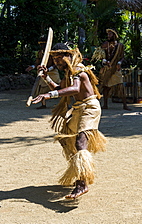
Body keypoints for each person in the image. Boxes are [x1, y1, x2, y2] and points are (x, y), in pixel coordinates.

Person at [32, 43, 107, 199]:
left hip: (89, 108)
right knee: (66, 140)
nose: (57, 62)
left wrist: (48, 95)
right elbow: (62, 87)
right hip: (79, 108)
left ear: (69, 56)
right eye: (55, 59)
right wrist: (46, 78)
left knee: (80, 142)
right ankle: (80, 172)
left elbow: (75, 89)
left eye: (59, 58)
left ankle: (82, 184)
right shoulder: (69, 72)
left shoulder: (78, 69)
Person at [98, 29, 130, 110]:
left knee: (120, 85)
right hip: (107, 68)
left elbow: (122, 57)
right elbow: (100, 56)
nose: (108, 36)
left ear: (114, 36)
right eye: (108, 34)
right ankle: (105, 104)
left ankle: (125, 105)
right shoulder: (105, 44)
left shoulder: (120, 46)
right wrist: (104, 61)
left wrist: (119, 63)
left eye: (110, 34)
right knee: (105, 87)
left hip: (116, 68)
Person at [26, 35, 61, 109]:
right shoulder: (40, 52)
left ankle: (64, 104)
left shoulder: (52, 52)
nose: (42, 46)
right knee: (42, 88)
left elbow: (55, 64)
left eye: (43, 44)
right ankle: (43, 104)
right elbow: (38, 62)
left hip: (52, 72)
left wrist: (49, 69)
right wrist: (33, 66)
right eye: (41, 44)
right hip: (42, 72)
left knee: (60, 88)